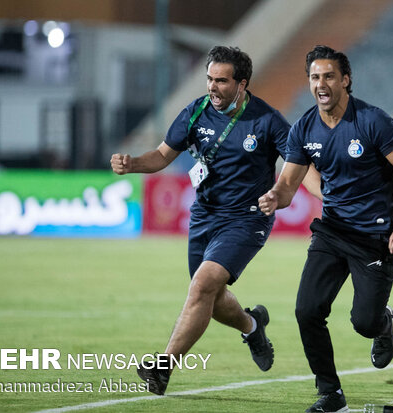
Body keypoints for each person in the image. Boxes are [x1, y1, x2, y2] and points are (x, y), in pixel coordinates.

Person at [111, 46, 299, 395]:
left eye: (222, 81)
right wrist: (133, 163)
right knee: (210, 298)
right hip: (205, 216)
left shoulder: (268, 120)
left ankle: (163, 367)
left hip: (246, 219)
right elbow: (163, 155)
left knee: (202, 286)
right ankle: (252, 324)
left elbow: (297, 163)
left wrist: (281, 192)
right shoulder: (195, 111)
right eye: (209, 79)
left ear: (242, 84)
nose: (213, 87)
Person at [258, 45, 393, 413]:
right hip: (332, 231)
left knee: (364, 322)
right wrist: (274, 196)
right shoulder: (304, 127)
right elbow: (289, 184)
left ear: (345, 80)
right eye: (315, 77)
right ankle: (330, 393)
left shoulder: (372, 121)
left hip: (375, 238)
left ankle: (383, 324)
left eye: (329, 76)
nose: (321, 84)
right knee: (307, 311)